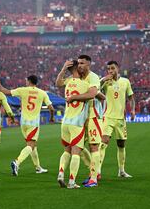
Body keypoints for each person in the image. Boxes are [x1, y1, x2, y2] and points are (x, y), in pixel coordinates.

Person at [57, 55, 103, 188]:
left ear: (89, 64)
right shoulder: (77, 78)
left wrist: (74, 97)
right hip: (80, 118)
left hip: (93, 116)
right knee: (78, 148)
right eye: (79, 64)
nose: (80, 65)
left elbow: (92, 94)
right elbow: (59, 83)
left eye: (82, 63)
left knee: (93, 146)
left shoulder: (93, 77)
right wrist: (64, 69)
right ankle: (92, 171)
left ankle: (94, 178)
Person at [0, 75, 54, 176]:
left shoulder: (23, 90)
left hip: (24, 122)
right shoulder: (42, 93)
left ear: (29, 81)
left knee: (33, 146)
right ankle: (16, 162)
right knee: (31, 145)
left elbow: (7, 92)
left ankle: (38, 167)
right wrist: (51, 117)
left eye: (26, 80)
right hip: (33, 123)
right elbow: (51, 108)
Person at [56, 60, 90, 189]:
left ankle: (60, 174)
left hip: (65, 121)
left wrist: (63, 68)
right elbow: (95, 94)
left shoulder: (68, 82)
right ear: (77, 68)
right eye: (80, 66)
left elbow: (58, 83)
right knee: (76, 152)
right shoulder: (85, 84)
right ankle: (71, 182)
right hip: (76, 123)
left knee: (66, 151)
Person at [99, 61, 135, 178]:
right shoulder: (105, 82)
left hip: (120, 119)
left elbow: (131, 98)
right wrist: (103, 79)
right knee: (103, 143)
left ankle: (121, 171)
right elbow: (94, 89)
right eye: (108, 69)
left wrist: (133, 110)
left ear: (118, 68)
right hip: (107, 117)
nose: (110, 71)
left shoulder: (125, 82)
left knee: (121, 144)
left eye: (112, 68)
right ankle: (97, 171)